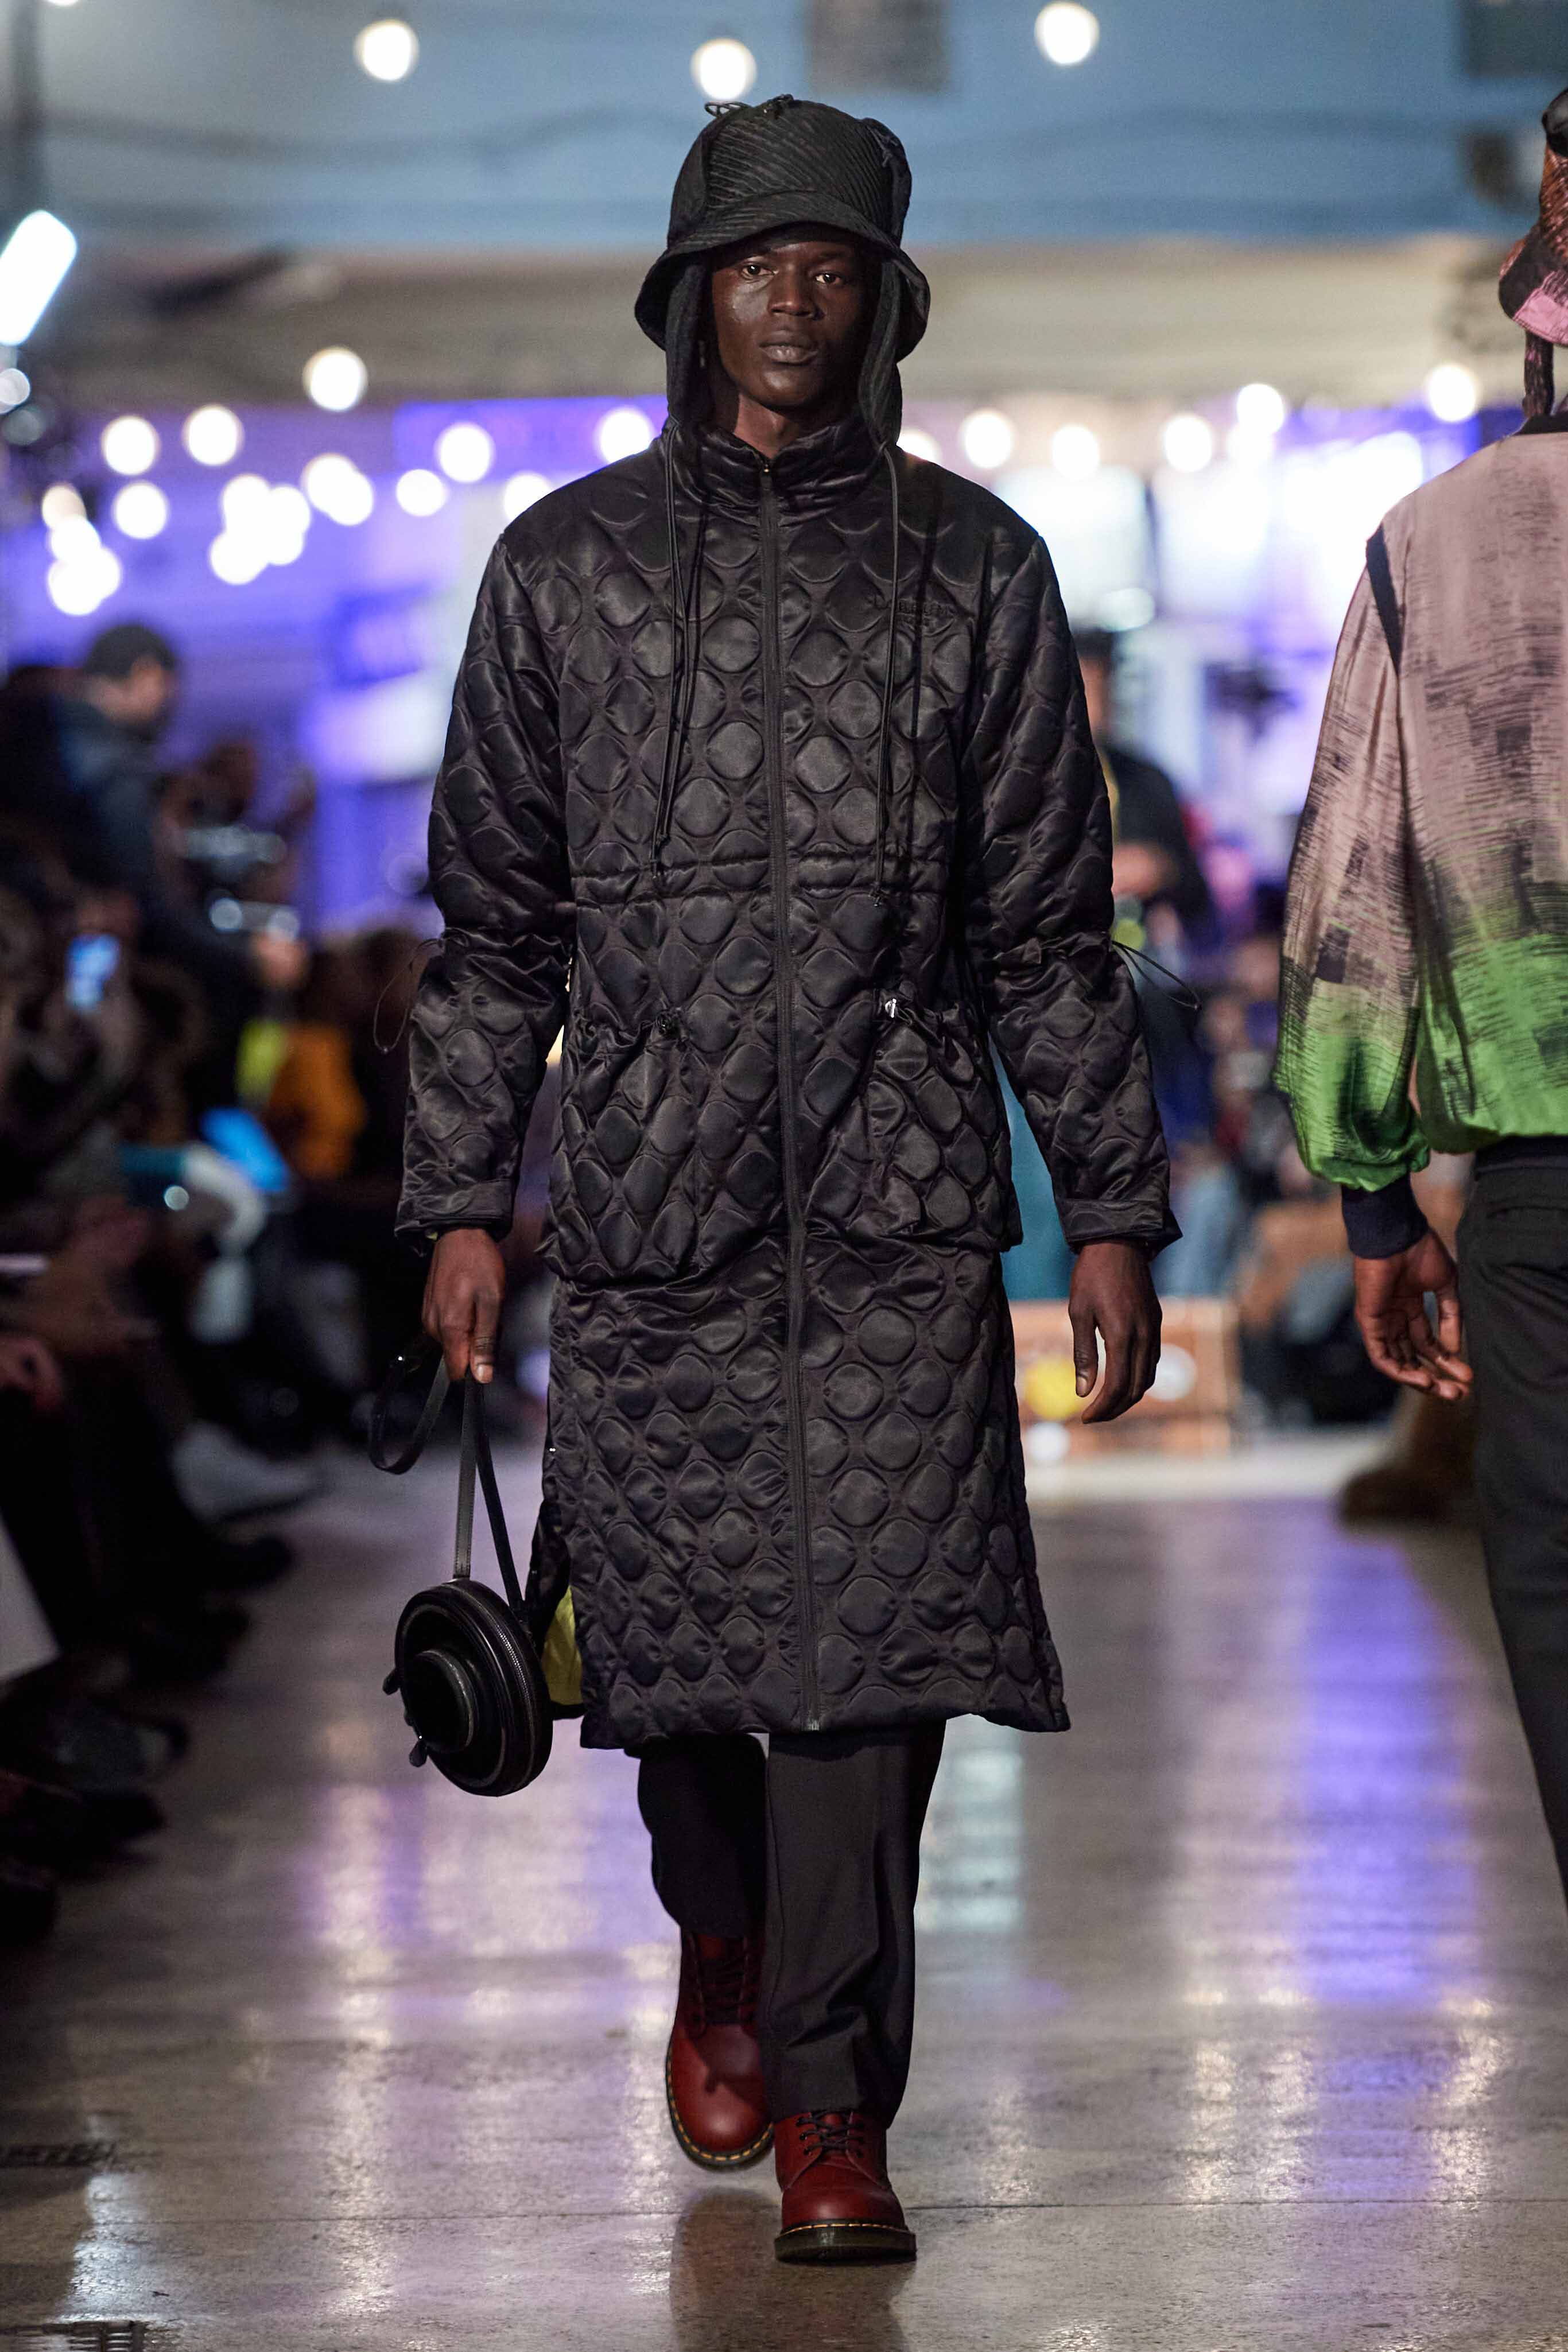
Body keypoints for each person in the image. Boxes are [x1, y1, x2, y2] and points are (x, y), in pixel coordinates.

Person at [402, 94, 1175, 2264]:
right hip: (654, 1209)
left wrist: (1109, 1204)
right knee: (670, 1651)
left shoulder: (974, 568)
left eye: (833, 268)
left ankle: (837, 2108)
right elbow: (495, 934)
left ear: (885, 303)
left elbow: (1048, 932)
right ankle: (723, 1932)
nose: (793, 304)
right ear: (689, 295)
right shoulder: (562, 570)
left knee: (876, 1664)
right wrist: (456, 1197)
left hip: (898, 1199)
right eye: (755, 265)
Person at [1277, 87, 1568, 1909]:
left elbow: (1351, 898)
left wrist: (1377, 1203)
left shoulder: (1434, 547)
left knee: (1554, 1575)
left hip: (1542, 1191)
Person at [41, 624, 304, 1002]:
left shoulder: (48, 746)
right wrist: (246, 956)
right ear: (146, 674)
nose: (167, 704)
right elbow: (146, 907)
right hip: (88, 986)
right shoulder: (114, 772)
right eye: (167, 687)